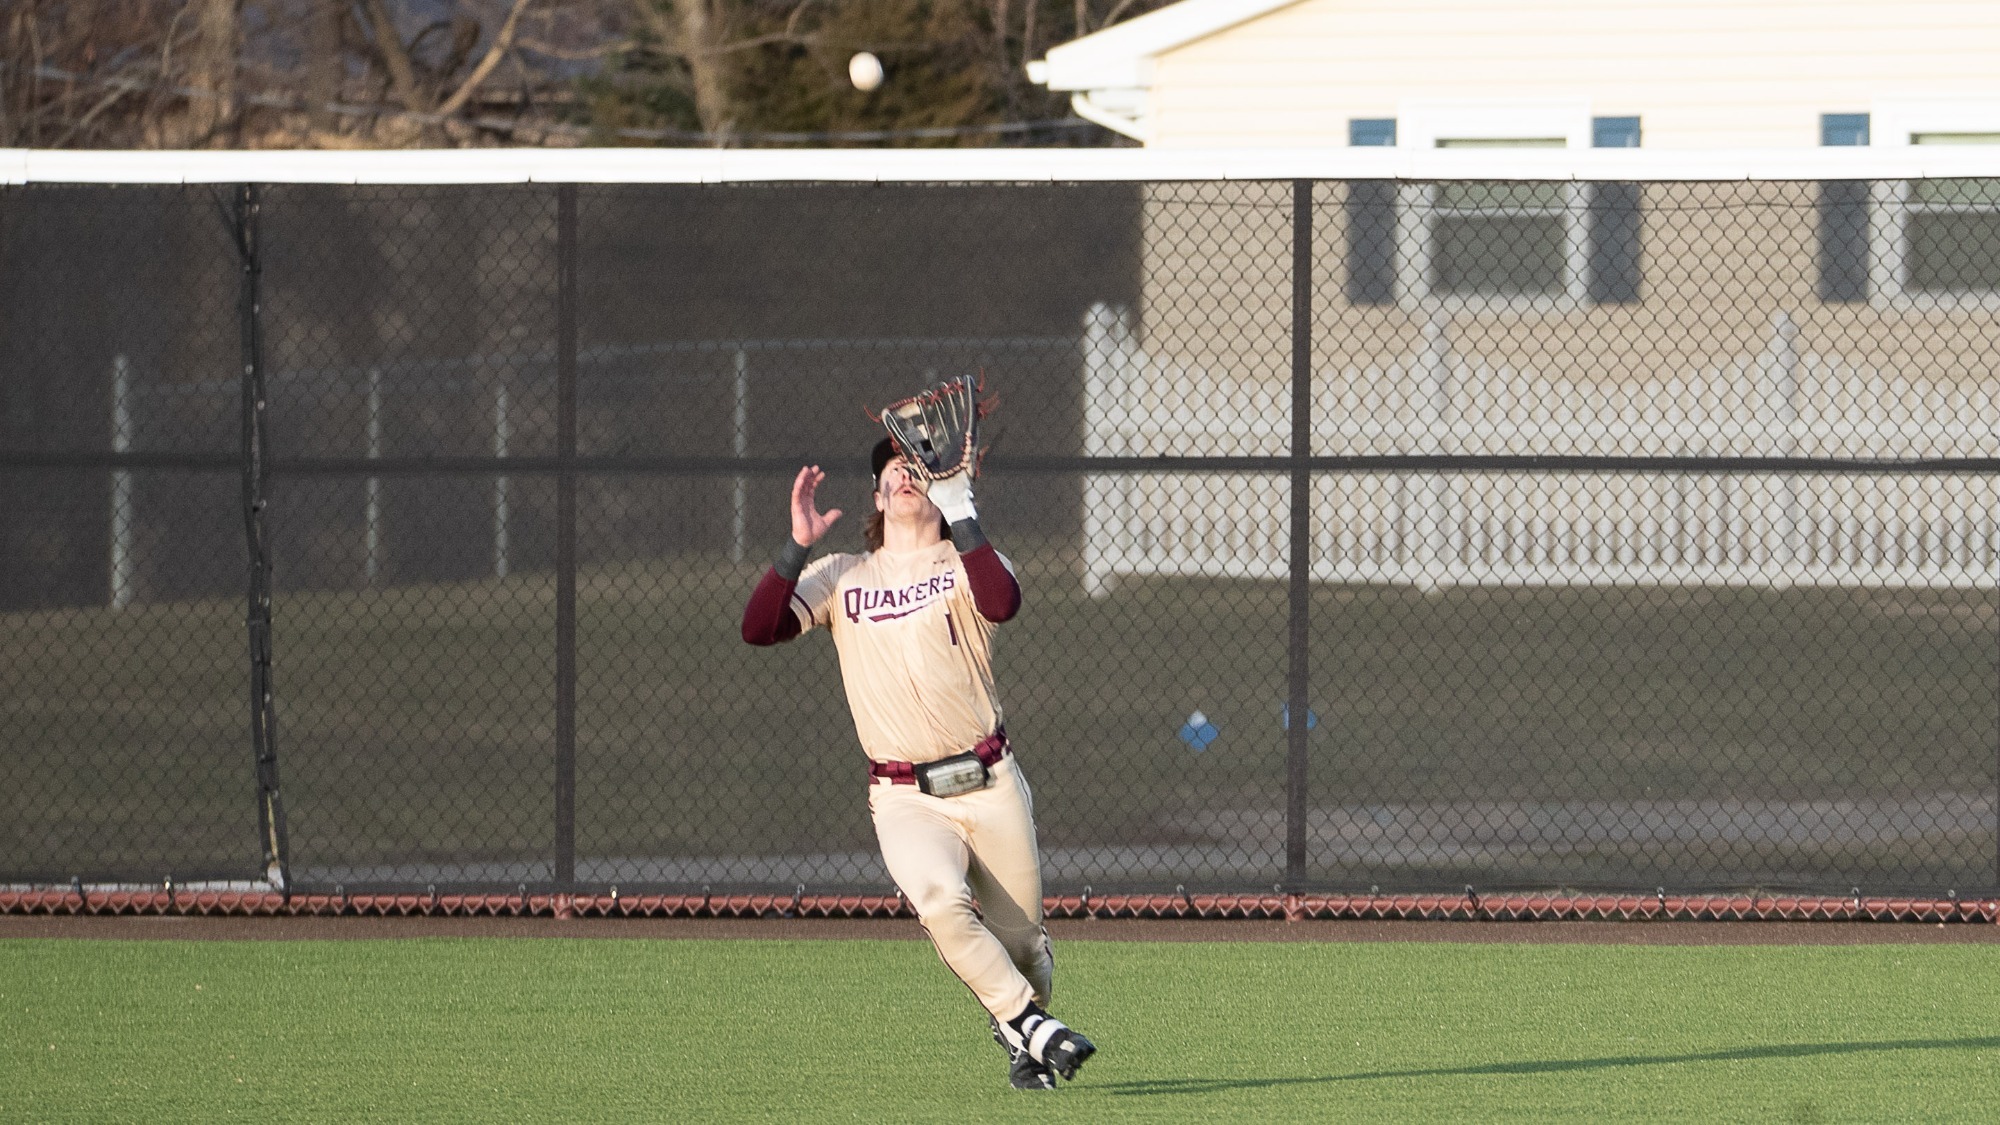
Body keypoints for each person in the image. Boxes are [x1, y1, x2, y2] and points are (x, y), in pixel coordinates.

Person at [740, 437, 1097, 1090]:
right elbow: (759, 628)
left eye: (918, 466)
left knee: (1023, 950)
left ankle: (1021, 1017)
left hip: (989, 783)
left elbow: (1003, 602)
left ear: (939, 487)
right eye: (892, 469)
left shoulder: (967, 562)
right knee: (939, 900)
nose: (904, 473)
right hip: (905, 795)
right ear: (877, 496)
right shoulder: (841, 574)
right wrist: (795, 547)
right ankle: (1029, 1024)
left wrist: (963, 511)